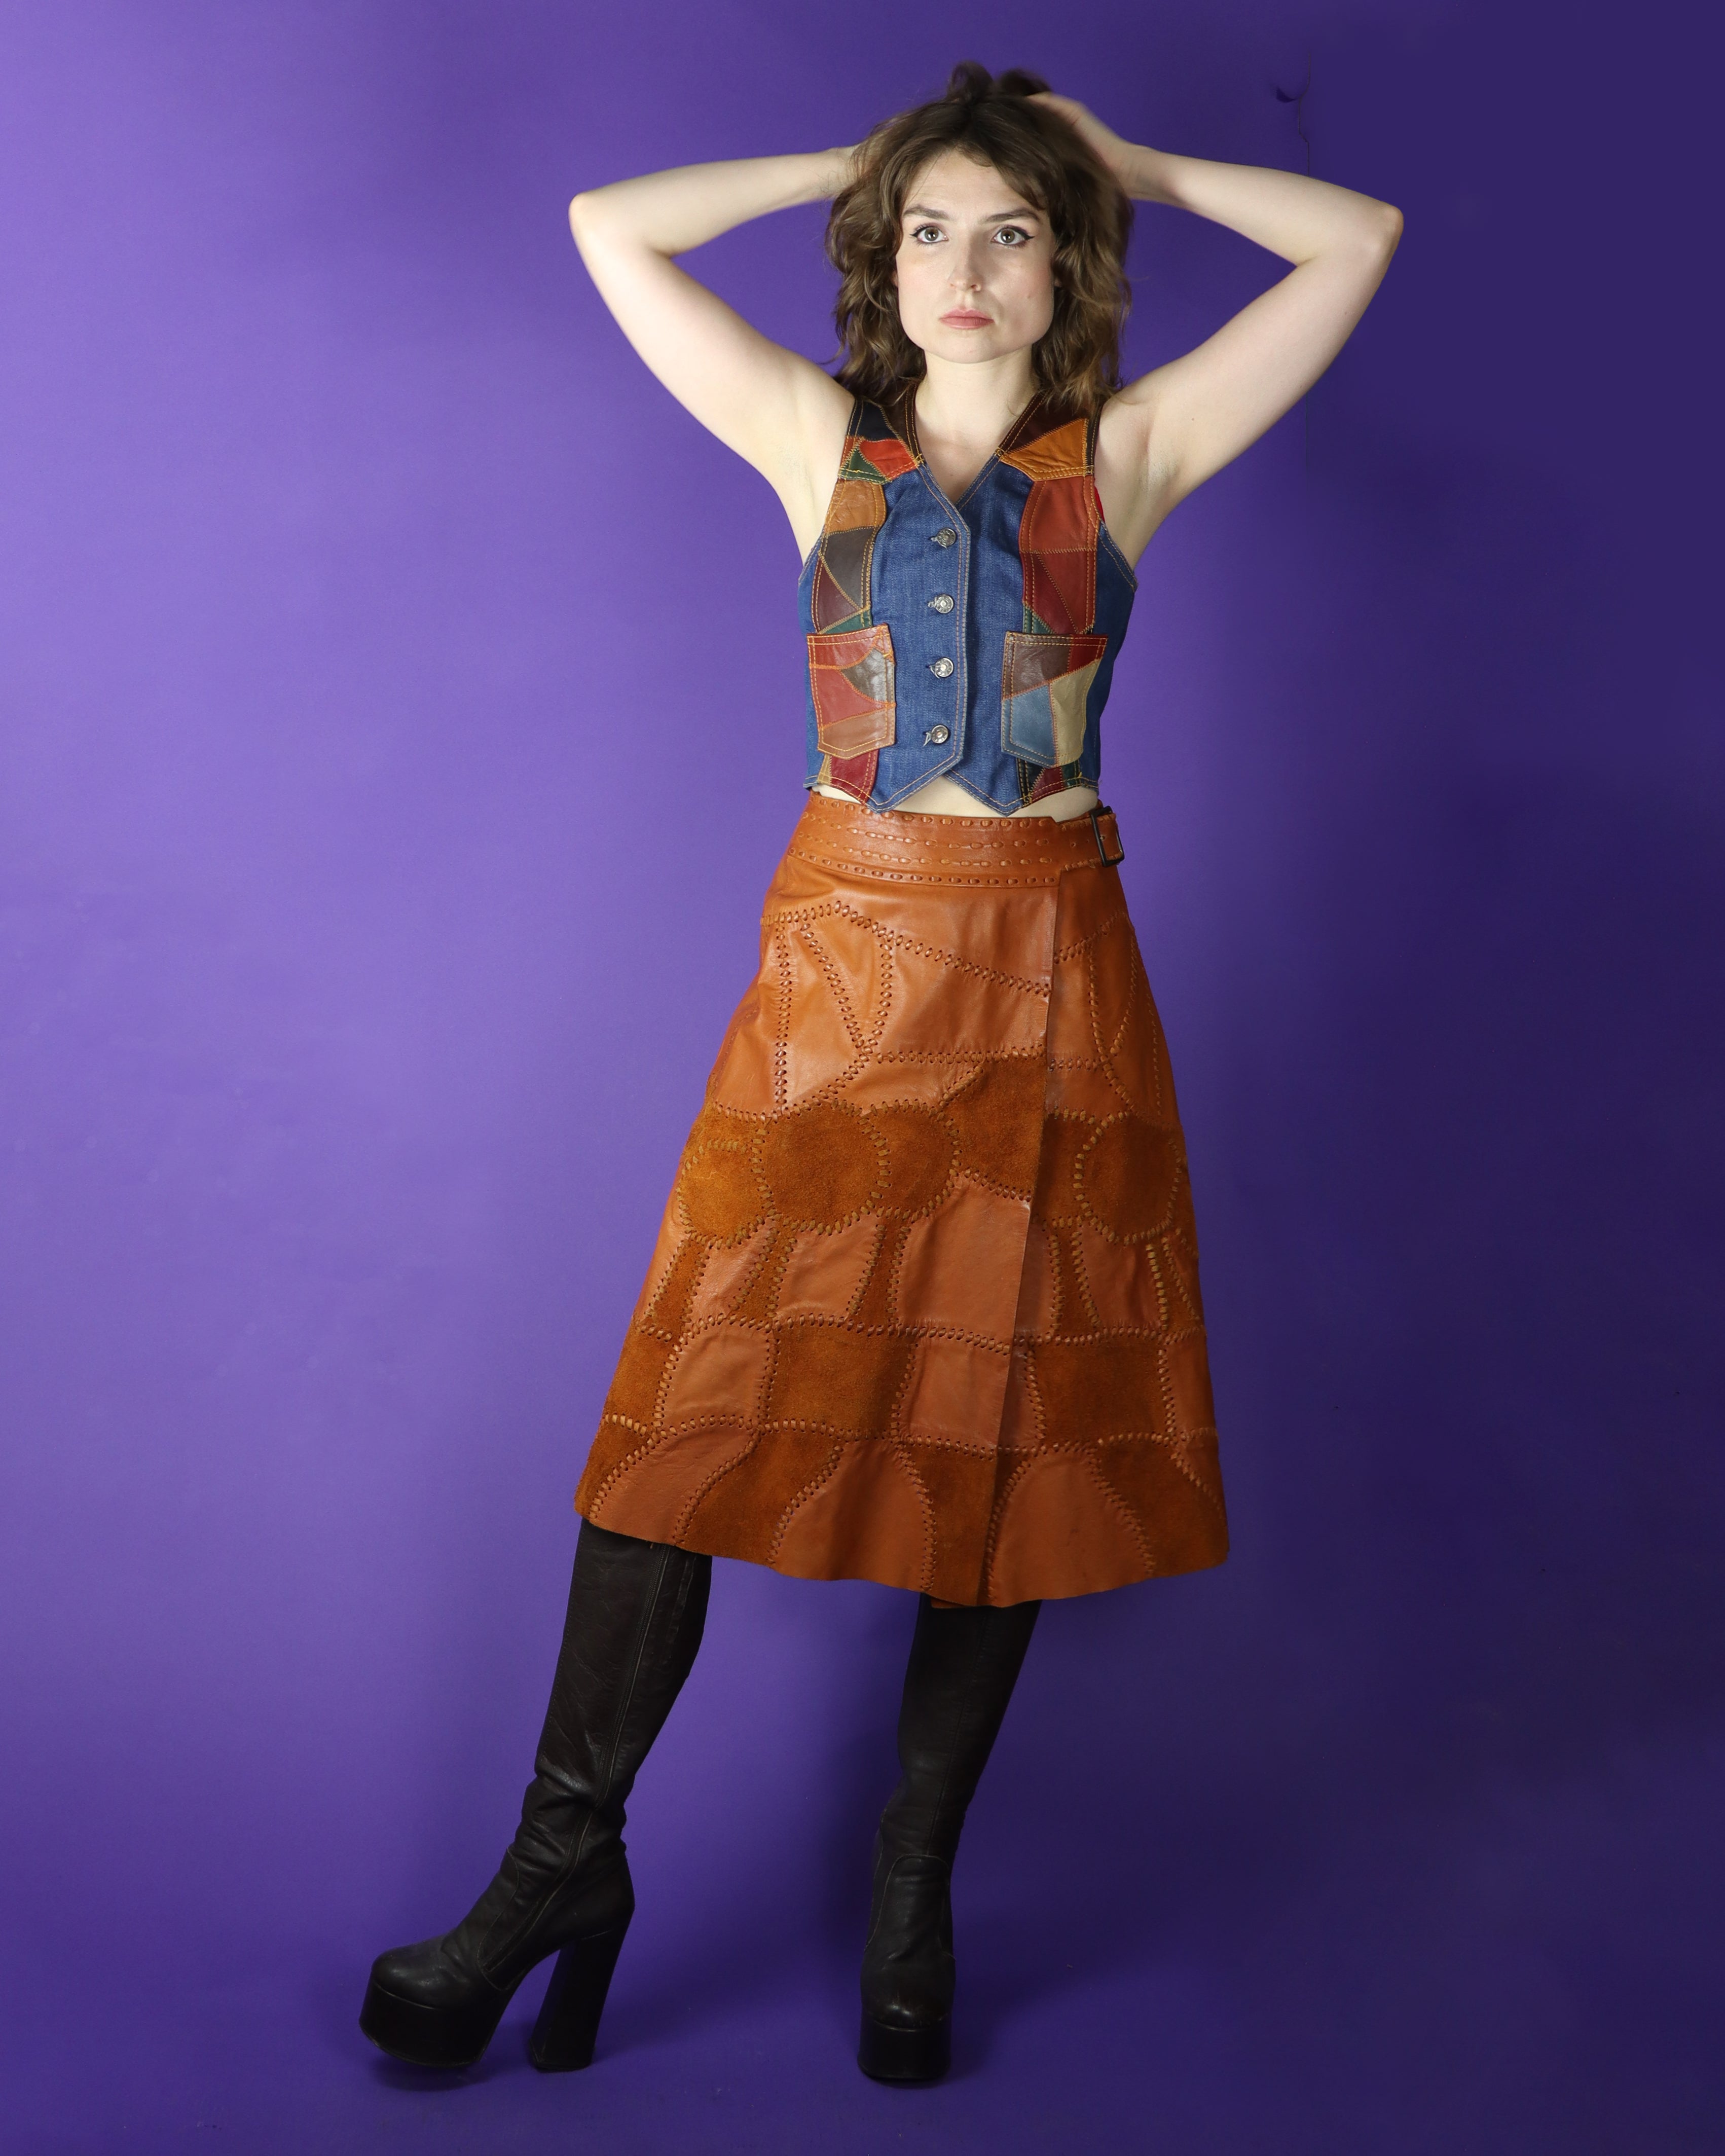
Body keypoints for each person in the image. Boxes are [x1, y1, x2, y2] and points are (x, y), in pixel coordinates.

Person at [360, 62, 1400, 2087]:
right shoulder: (807, 439)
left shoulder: (1132, 453)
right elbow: (607, 227)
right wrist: (855, 163)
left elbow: (1354, 240)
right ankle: (560, 1863)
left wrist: (1130, 162)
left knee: (1002, 1437)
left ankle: (909, 1892)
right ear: (884, 258)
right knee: (680, 1413)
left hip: (1050, 972)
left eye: (1008, 230)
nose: (962, 267)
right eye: (928, 232)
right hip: (838, 968)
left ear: (1064, 261)